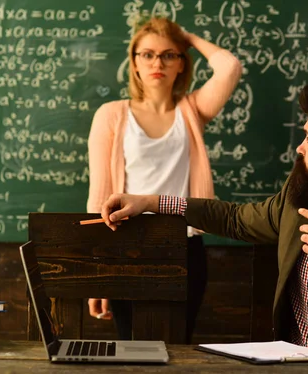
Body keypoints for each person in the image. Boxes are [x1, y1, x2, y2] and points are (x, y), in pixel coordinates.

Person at [98, 79, 308, 348]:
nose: (299, 147)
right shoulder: (302, 196)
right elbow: (235, 218)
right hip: (290, 362)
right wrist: (151, 202)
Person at [86, 16, 242, 340]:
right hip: (125, 246)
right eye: (147, 54)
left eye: (169, 54)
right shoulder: (111, 115)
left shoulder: (192, 110)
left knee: (178, 346)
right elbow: (98, 198)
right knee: (130, 350)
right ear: (134, 63)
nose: (158, 62)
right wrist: (96, 276)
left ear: (181, 64)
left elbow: (229, 67)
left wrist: (186, 37)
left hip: (184, 245)